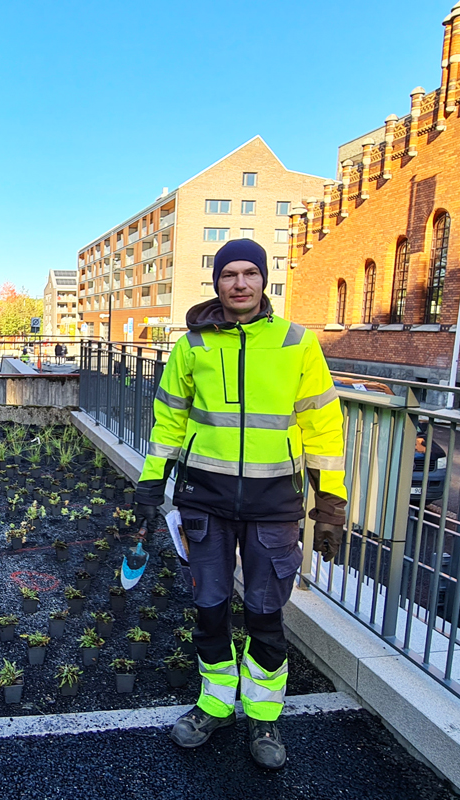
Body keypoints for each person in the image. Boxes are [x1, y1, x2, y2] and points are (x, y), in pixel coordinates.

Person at [134, 238, 347, 771]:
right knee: (209, 610)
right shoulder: (193, 346)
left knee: (265, 615)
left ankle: (263, 715)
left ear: (264, 279)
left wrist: (331, 503)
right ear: (217, 283)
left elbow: (323, 426)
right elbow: (168, 422)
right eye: (229, 274)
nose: (240, 283)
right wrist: (151, 483)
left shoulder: (297, 342)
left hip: (275, 503)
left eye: (250, 273)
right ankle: (214, 704)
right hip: (204, 500)